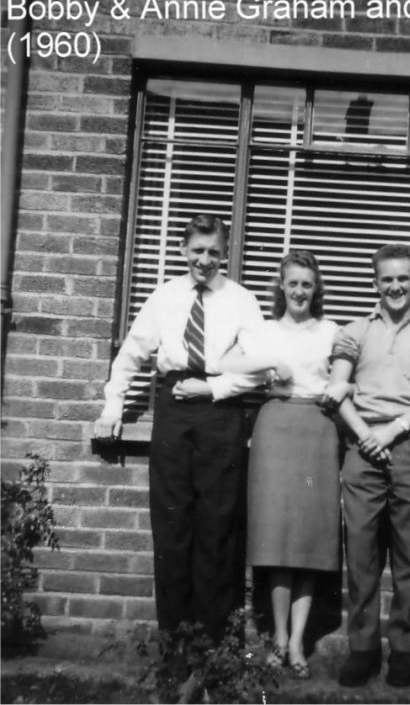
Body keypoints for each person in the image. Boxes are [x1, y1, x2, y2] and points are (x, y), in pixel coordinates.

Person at [93, 214, 265, 644]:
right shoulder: (165, 296)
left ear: (225, 252)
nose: (205, 261)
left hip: (221, 410)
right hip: (173, 407)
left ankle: (213, 645)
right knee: (172, 525)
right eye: (197, 251)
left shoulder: (241, 300)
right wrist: (113, 407)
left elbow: (261, 367)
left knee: (217, 526)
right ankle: (175, 642)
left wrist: (213, 387)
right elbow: (131, 355)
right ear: (183, 250)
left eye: (213, 252)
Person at [218, 249, 376, 679]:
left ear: (316, 288)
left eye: (307, 284)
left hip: (318, 429)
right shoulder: (264, 331)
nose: (300, 291)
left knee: (308, 541)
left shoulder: (332, 331)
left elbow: (357, 383)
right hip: (275, 429)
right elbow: (225, 362)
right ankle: (279, 635)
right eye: (293, 283)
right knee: (278, 539)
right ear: (281, 286)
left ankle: (298, 642)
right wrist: (269, 362)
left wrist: (342, 389)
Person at [322, 243, 410, 688]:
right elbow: (337, 389)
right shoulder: (355, 331)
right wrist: (366, 435)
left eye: (403, 278)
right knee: (361, 552)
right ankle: (362, 649)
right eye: (387, 279)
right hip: (362, 445)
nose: (395, 286)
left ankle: (404, 650)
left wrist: (393, 430)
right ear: (375, 282)